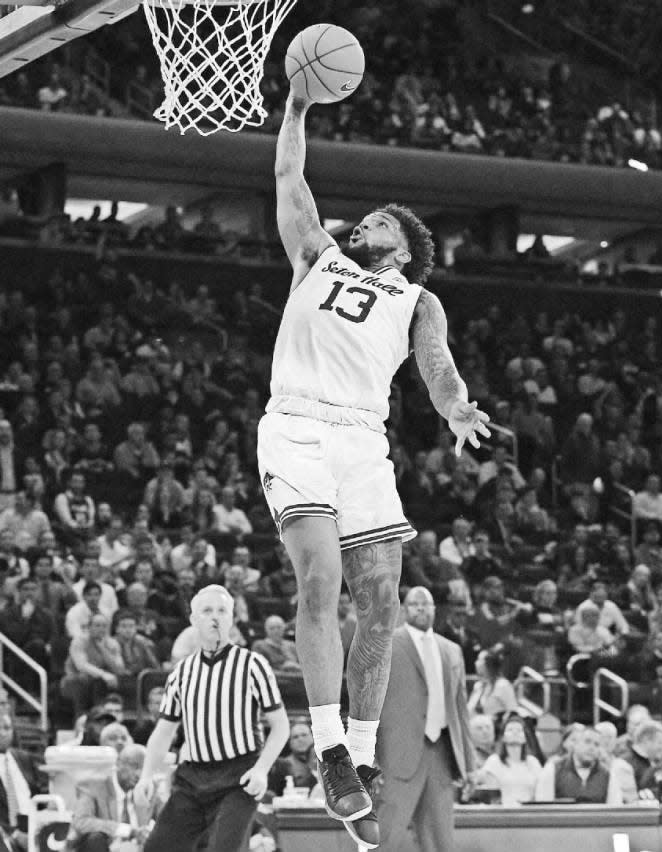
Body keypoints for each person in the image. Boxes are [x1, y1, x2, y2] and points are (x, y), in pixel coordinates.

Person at [257, 81, 490, 846]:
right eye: (362, 219)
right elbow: (291, 182)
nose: (363, 224)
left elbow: (438, 367)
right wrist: (293, 113)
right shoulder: (316, 254)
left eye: (379, 222)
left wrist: (455, 407)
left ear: (405, 246)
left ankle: (356, 757)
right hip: (295, 424)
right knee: (320, 578)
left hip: (361, 437)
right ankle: (329, 747)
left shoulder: (417, 300)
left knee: (382, 599)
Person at [133, 585, 289, 852]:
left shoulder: (252, 664)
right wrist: (146, 776)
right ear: (194, 620)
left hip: (240, 775)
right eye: (207, 611)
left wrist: (262, 769)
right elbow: (164, 730)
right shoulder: (181, 671)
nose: (215, 617)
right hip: (191, 778)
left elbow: (281, 725)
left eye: (222, 611)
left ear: (232, 619)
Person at [374, 586, 474, 852]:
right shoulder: (385, 643)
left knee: (441, 840)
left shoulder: (452, 650)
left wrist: (469, 763)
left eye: (425, 604)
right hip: (396, 754)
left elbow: (461, 711)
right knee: (385, 837)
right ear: (404, 610)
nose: (420, 608)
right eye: (414, 604)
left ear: (434, 609)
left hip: (440, 752)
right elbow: (370, 701)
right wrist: (369, 756)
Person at [72, 743, 161, 852]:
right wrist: (128, 831)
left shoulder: (149, 789)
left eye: (144, 769)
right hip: (106, 847)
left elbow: (170, 820)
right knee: (94, 838)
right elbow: (81, 822)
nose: (139, 774)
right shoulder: (93, 787)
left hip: (137, 849)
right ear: (118, 763)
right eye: (134, 766)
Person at [535, 726, 622, 804]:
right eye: (587, 741)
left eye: (596, 744)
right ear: (575, 744)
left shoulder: (608, 775)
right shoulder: (553, 769)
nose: (592, 748)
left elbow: (615, 810)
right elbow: (543, 809)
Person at [0, 711, 45, 852]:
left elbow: (39, 795)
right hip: (6, 833)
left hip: (33, 827)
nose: (2, 733)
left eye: (6, 728)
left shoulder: (24, 758)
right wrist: (14, 834)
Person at [476, 715, 541, 805]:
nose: (515, 732)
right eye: (510, 730)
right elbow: (493, 797)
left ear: (525, 738)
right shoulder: (494, 762)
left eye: (519, 730)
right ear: (503, 737)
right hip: (503, 813)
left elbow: (540, 793)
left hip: (529, 812)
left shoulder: (533, 762)